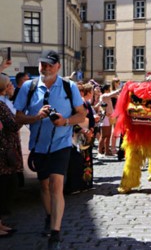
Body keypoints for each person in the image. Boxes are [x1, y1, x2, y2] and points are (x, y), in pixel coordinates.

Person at [13, 50, 85, 250]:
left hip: (61, 145)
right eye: (42, 64)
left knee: (56, 185)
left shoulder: (69, 87)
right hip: (38, 146)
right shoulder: (29, 87)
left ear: (58, 67)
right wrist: (36, 117)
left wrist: (65, 121)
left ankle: (55, 234)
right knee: (43, 186)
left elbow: (82, 115)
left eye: (50, 65)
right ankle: (48, 216)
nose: (45, 68)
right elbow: (18, 117)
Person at [0, 73, 23, 237]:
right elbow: (12, 124)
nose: (12, 87)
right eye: (10, 84)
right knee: (4, 187)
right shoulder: (1, 105)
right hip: (3, 152)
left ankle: (0, 224)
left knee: (6, 186)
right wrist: (28, 117)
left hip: (6, 149)